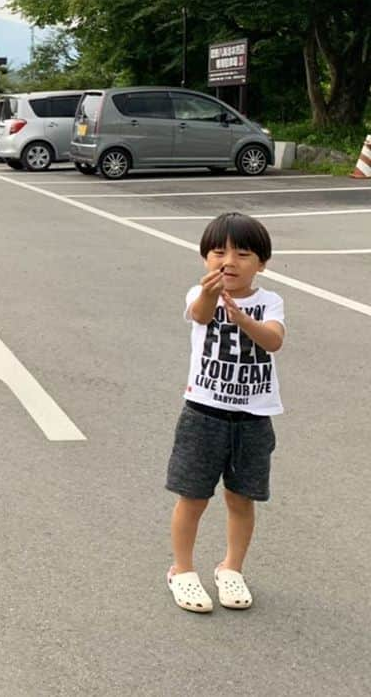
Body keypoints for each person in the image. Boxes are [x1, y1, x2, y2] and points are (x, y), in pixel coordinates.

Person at [165, 212, 285, 612]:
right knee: (193, 497)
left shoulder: (270, 301)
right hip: (204, 413)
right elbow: (199, 315)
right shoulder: (199, 294)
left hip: (252, 418)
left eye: (243, 254)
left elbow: (274, 340)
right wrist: (211, 295)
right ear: (205, 259)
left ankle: (231, 567)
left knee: (241, 498)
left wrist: (243, 319)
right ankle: (181, 570)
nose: (228, 261)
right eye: (218, 252)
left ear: (262, 263)